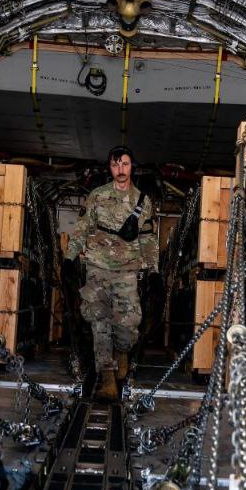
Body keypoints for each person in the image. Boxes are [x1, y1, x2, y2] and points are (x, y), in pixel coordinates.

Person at [65, 145, 158, 401]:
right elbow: (82, 229)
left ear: (132, 167)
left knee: (128, 325)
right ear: (110, 167)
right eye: (116, 165)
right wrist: (69, 258)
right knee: (99, 321)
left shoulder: (142, 201)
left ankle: (122, 352)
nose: (120, 170)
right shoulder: (96, 196)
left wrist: (153, 271)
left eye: (125, 164)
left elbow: (148, 239)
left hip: (127, 270)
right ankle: (107, 380)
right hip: (97, 267)